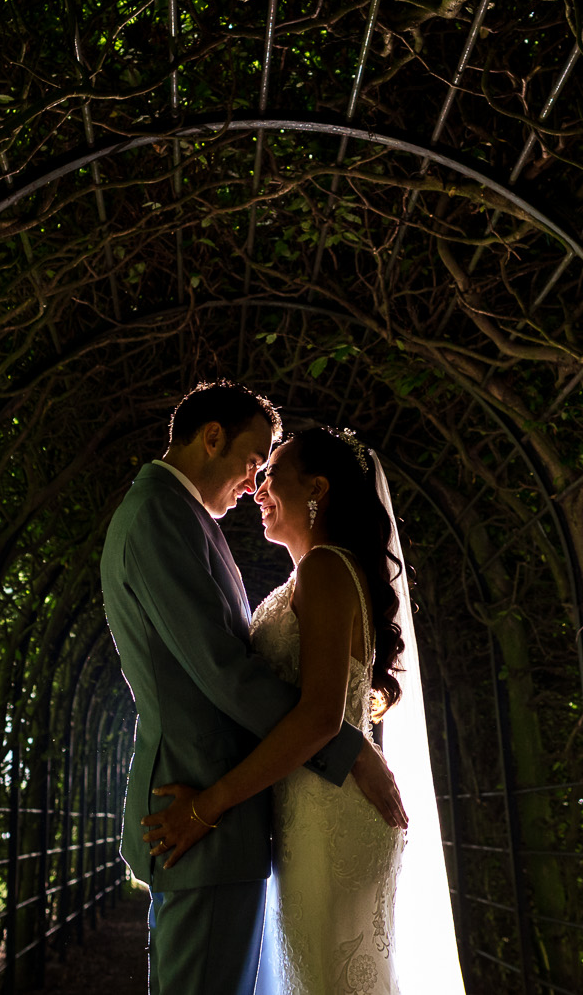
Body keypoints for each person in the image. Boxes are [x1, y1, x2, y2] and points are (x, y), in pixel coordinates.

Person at [100, 382, 407, 995]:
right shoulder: (162, 513)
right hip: (203, 805)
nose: (255, 483)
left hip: (239, 811)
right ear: (212, 436)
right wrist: (352, 750)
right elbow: (223, 671)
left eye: (269, 470)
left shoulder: (190, 520)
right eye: (253, 460)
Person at [142, 425, 466, 995]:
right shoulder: (311, 573)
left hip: (331, 818)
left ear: (316, 489)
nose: (258, 488)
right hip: (309, 812)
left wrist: (207, 807)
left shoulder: (324, 569)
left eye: (271, 475)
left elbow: (319, 718)